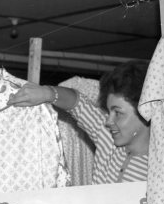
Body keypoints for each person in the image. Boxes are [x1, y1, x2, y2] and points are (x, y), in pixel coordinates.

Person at [8, 60, 150, 184]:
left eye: (118, 113)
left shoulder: (159, 167)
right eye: (109, 111)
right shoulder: (108, 140)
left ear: (145, 112)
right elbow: (78, 104)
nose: (108, 121)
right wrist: (46, 93)